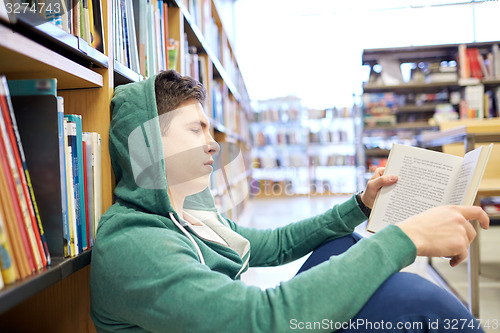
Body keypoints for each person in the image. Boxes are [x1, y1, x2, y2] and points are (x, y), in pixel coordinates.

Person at [90, 70, 490, 333]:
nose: (213, 144)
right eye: (196, 129)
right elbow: (261, 320)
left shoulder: (190, 214)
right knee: (415, 300)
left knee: (341, 246)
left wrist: (361, 206)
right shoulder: (134, 244)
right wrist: (405, 237)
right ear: (150, 143)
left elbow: (277, 244)